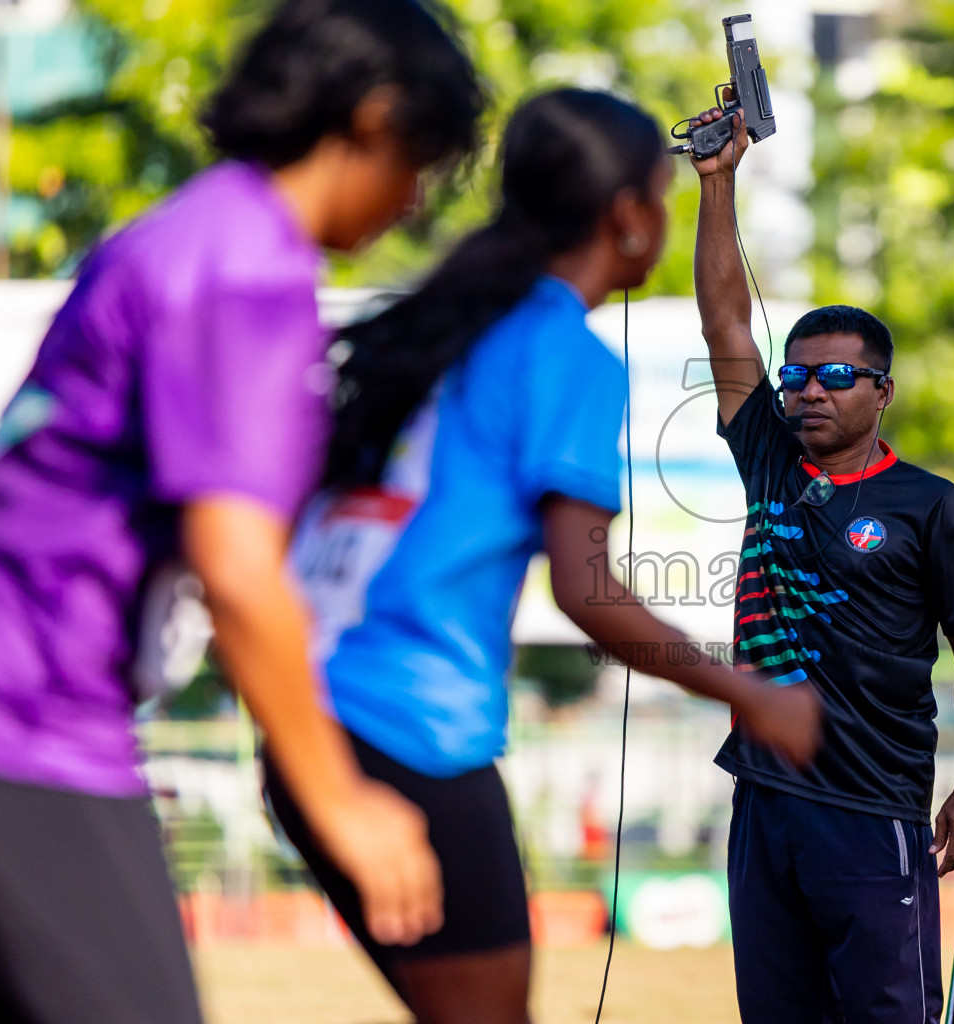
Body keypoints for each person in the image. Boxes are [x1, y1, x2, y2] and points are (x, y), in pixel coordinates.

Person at [0, 3, 483, 1021]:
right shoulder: (250, 271)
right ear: (374, 121)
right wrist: (341, 800)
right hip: (15, 722)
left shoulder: (190, 228)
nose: (413, 203)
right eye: (421, 167)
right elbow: (238, 566)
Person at [266, 88, 820, 1024]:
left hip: (304, 727)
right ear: (628, 218)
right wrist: (752, 695)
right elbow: (587, 591)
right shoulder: (565, 350)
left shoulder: (437, 324)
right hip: (411, 734)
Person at [687, 105, 954, 1024]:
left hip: (874, 810)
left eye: (833, 377)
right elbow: (724, 323)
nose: (807, 391)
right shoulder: (771, 459)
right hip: (766, 804)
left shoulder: (930, 504)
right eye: (797, 376)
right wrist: (718, 183)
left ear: (882, 393)